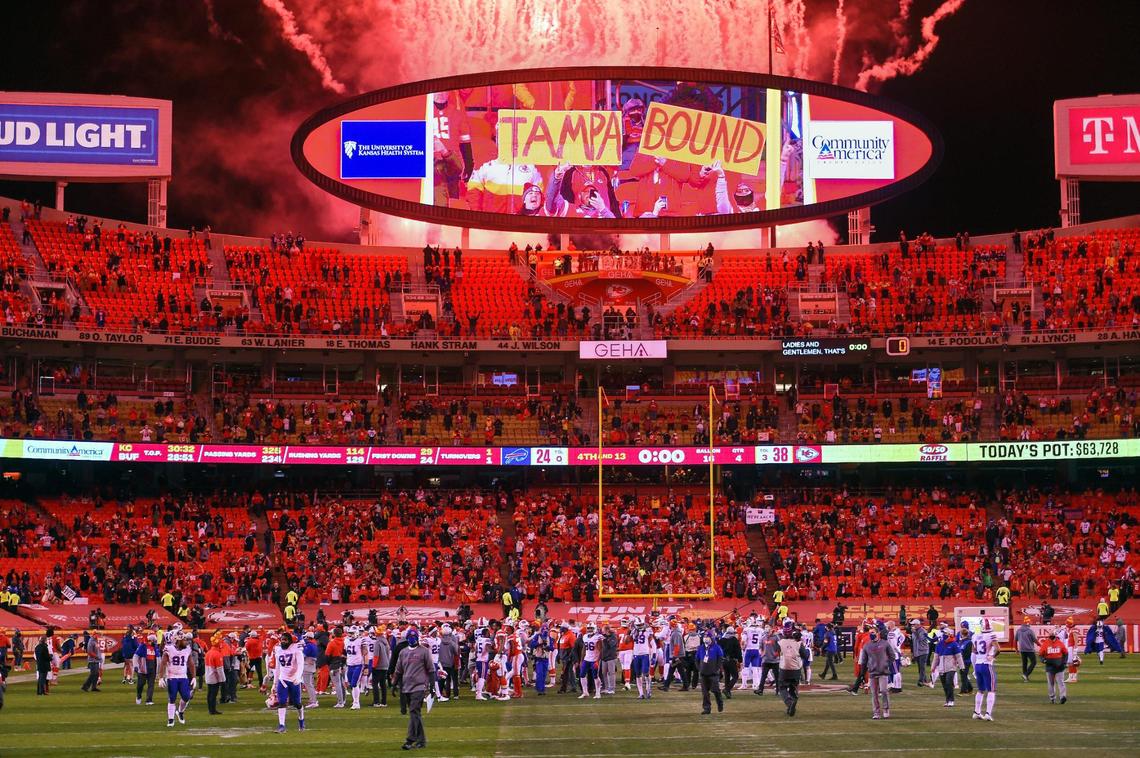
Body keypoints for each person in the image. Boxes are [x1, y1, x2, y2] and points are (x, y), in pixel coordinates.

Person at [393, 628, 435, 751]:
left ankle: (410, 740)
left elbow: (431, 670)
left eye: (414, 636)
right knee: (416, 714)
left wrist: (432, 687)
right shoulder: (403, 652)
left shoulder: (424, 651)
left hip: (419, 686)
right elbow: (399, 670)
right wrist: (395, 684)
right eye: (410, 637)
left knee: (413, 711)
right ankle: (421, 740)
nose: (412, 639)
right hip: (406, 686)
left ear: (417, 637)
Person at [157, 631, 196, 727]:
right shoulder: (169, 649)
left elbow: (191, 664)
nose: (186, 641)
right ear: (177, 640)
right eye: (183, 639)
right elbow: (163, 663)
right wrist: (161, 677)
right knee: (172, 698)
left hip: (183, 677)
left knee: (186, 697)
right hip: (172, 677)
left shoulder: (187, 649)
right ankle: (170, 720)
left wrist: (194, 677)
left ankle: (180, 712)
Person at [860, 625, 899, 719]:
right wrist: (862, 674)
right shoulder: (867, 645)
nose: (871, 634)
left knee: (884, 691)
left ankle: (886, 709)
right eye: (870, 633)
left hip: (883, 672)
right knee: (874, 694)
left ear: (878, 633)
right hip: (872, 673)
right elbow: (864, 661)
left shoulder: (885, 643)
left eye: (873, 633)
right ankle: (876, 712)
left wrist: (886, 664)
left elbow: (892, 656)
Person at [271, 630, 306, 733]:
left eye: (285, 640)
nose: (283, 642)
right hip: (283, 679)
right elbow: (277, 668)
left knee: (297, 703)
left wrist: (298, 677)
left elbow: (301, 665)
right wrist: (274, 683)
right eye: (282, 640)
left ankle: (301, 720)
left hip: (294, 679)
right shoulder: (278, 650)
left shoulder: (296, 649)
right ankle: (282, 726)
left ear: (290, 641)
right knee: (282, 702)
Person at [776, 621, 809, 717]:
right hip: (796, 670)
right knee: (793, 689)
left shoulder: (780, 642)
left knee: (782, 688)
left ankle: (790, 703)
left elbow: (777, 651)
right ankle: (793, 701)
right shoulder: (798, 643)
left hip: (784, 669)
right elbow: (805, 655)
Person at [972, 619, 1000, 721]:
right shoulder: (991, 635)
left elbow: (974, 652)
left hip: (978, 665)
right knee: (991, 690)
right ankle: (988, 713)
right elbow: (998, 649)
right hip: (987, 665)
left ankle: (977, 712)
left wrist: (974, 667)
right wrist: (992, 656)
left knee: (980, 690)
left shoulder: (975, 636)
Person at [931, 625, 963, 707]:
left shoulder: (954, 644)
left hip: (951, 667)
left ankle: (951, 700)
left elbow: (958, 656)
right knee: (944, 685)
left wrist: (961, 666)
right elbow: (936, 657)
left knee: (949, 683)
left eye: (945, 633)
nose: (943, 635)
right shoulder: (939, 644)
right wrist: (933, 667)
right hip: (942, 667)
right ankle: (947, 700)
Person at [1038, 628, 1068, 704]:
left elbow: (1065, 653)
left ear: (1055, 635)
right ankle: (1052, 697)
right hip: (1050, 666)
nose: (1051, 636)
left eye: (1053, 635)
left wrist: (1064, 662)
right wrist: (1043, 660)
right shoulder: (1045, 643)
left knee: (1061, 682)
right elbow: (1040, 654)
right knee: (1051, 683)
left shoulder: (1060, 643)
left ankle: (1063, 697)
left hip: (1059, 665)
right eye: (1050, 635)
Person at [696, 632, 725, 715]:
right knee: (705, 693)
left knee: (715, 690)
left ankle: (720, 703)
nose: (705, 638)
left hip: (713, 673)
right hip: (703, 673)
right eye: (704, 636)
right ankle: (706, 708)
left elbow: (720, 659)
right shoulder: (701, 648)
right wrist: (699, 668)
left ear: (711, 638)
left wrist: (716, 669)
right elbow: (697, 659)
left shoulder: (717, 647)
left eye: (707, 636)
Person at [134, 632, 160, 705]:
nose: (154, 642)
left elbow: (158, 658)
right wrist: (135, 666)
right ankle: (139, 696)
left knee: (151, 685)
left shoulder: (155, 648)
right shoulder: (142, 646)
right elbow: (135, 656)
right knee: (140, 684)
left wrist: (158, 670)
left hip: (152, 669)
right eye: (153, 640)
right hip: (142, 669)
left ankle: (149, 700)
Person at [205, 634, 225, 715]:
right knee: (213, 694)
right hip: (214, 677)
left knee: (210, 694)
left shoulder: (209, 652)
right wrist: (223, 680)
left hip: (208, 675)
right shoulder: (217, 654)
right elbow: (219, 669)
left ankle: (211, 709)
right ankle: (212, 710)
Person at [719, 627, 742, 697]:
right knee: (735, 676)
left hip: (723, 660)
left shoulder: (722, 640)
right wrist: (740, 659)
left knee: (727, 676)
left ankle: (728, 693)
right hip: (731, 660)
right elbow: (738, 650)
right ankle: (727, 689)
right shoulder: (734, 640)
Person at [1015, 617, 1039, 681]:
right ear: (1028, 623)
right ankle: (1026, 675)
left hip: (1022, 649)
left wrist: (1016, 649)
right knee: (1034, 662)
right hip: (1029, 649)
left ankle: (1025, 677)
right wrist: (1039, 644)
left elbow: (1015, 640)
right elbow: (1034, 640)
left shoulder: (1018, 630)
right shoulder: (1030, 631)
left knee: (1024, 663)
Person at [910, 619, 932, 687]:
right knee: (920, 667)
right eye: (912, 624)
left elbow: (920, 639)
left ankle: (921, 681)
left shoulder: (923, 631)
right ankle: (924, 680)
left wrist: (914, 632)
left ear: (918, 624)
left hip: (923, 651)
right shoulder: (914, 631)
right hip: (917, 651)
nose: (912, 626)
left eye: (914, 624)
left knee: (922, 667)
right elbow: (914, 642)